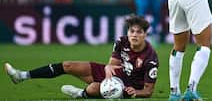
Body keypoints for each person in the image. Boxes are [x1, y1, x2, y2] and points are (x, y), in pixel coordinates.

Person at [4, 15, 159, 99]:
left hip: (128, 86)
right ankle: (22, 76)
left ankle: (81, 93)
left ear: (145, 34)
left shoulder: (150, 58)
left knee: (93, 89)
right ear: (127, 32)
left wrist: (135, 93)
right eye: (132, 31)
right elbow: (112, 64)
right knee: (68, 65)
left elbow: (149, 91)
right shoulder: (121, 41)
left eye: (139, 32)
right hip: (116, 75)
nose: (134, 35)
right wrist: (108, 67)